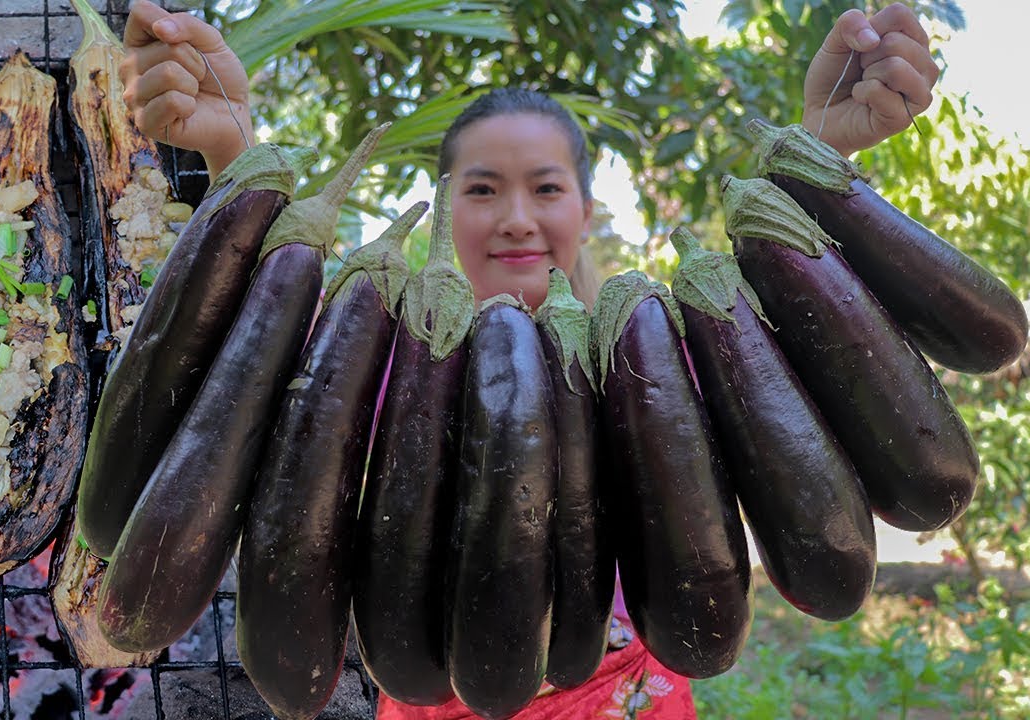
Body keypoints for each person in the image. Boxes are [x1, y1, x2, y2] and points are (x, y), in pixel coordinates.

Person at [118, 2, 939, 717]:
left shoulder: (674, 367)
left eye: (545, 188)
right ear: (442, 210)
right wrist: (232, 152)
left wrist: (822, 164)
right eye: (480, 189)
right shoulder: (373, 368)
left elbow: (822, 381)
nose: (515, 217)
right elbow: (251, 407)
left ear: (586, 207)